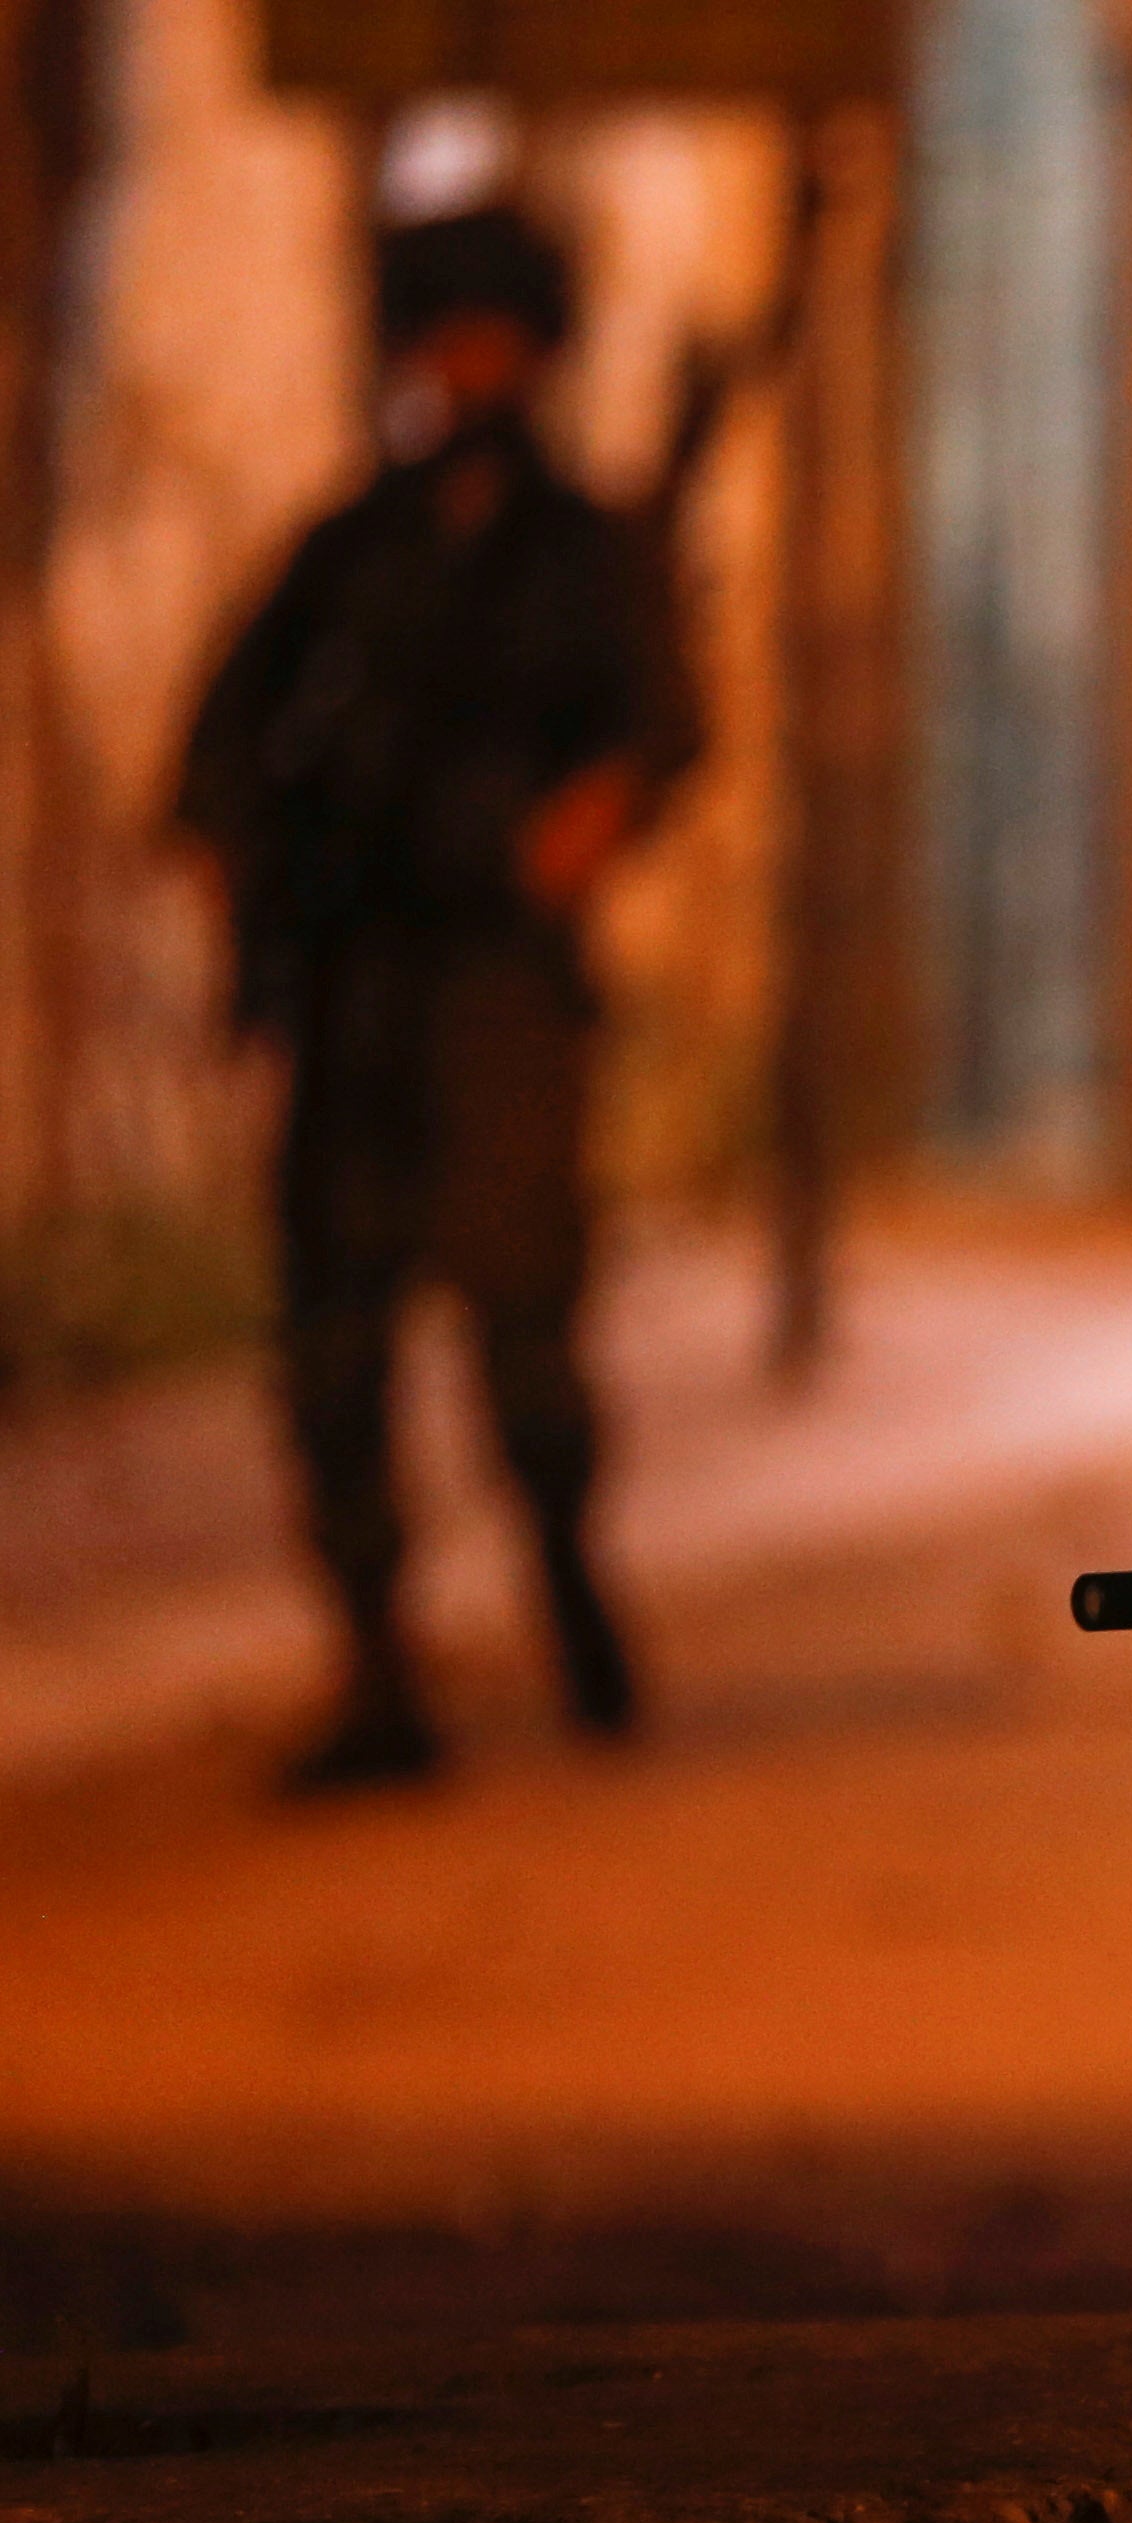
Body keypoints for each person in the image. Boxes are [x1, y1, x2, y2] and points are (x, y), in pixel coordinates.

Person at [175, 205, 697, 1790]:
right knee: (331, 1343)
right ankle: (379, 1670)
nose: (465, 364)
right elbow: (221, 749)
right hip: (355, 981)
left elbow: (657, 730)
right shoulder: (349, 551)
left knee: (523, 1327)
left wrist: (579, 825)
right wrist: (255, 888)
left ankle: (565, 1576)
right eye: (442, 332)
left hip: (498, 990)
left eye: (492, 333)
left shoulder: (585, 550)